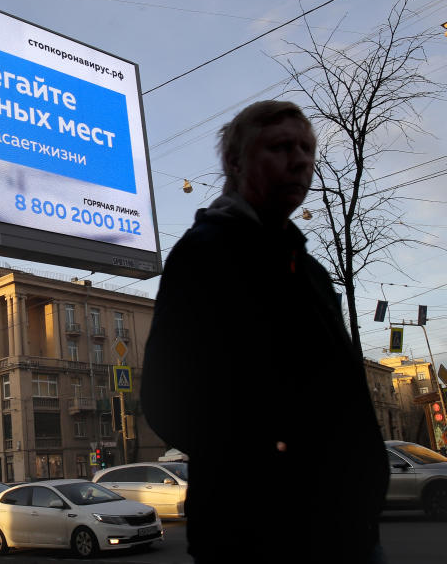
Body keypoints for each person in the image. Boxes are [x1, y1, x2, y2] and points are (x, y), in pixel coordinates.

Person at [141, 100, 388, 563]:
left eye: (307, 149)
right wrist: (277, 464)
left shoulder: (307, 267)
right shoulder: (205, 254)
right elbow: (165, 399)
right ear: (235, 162)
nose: (300, 160)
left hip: (348, 527)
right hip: (263, 534)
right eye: (280, 147)